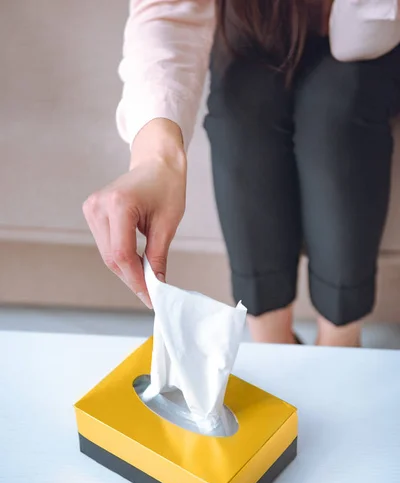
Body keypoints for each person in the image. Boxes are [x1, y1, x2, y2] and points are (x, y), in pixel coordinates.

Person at [83, 0, 400, 346]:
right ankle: (269, 335)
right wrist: (157, 159)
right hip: (259, 32)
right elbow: (167, 13)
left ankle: (341, 338)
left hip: (372, 44)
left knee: (336, 120)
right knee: (239, 118)